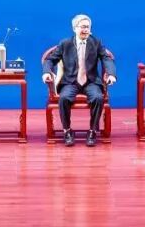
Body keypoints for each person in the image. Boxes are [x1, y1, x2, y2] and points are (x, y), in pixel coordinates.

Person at [41, 14, 117, 147]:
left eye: (88, 27)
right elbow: (50, 60)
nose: (85, 30)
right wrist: (47, 72)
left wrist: (111, 74)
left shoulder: (96, 42)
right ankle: (67, 131)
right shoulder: (65, 43)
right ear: (74, 28)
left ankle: (92, 131)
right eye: (82, 27)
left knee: (98, 98)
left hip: (91, 81)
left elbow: (107, 59)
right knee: (64, 98)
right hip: (71, 81)